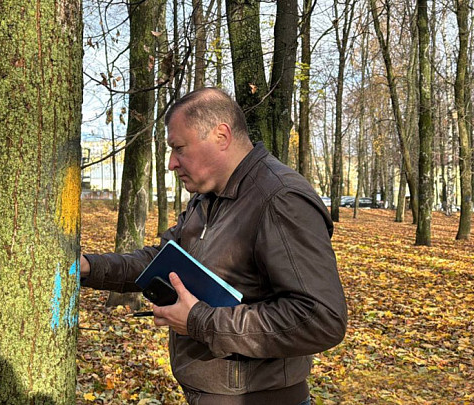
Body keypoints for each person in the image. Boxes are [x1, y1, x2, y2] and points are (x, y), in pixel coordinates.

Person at [80, 87, 347, 405]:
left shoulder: (279, 198)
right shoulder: (207, 198)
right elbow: (162, 261)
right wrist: (89, 267)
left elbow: (320, 319)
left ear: (221, 135)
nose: (171, 163)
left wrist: (199, 321)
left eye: (179, 148)